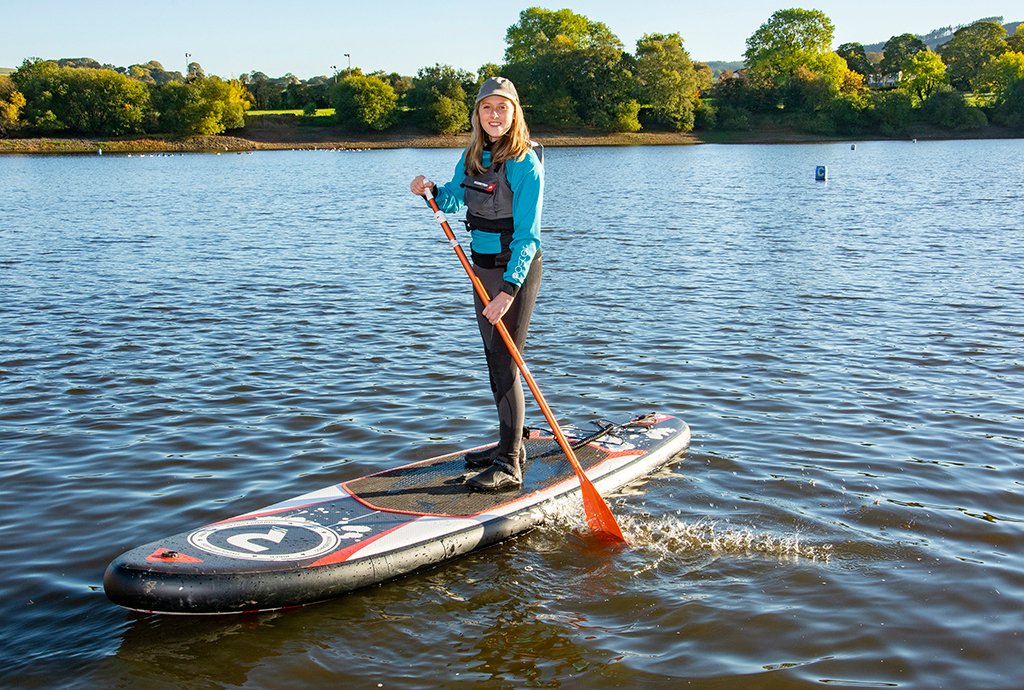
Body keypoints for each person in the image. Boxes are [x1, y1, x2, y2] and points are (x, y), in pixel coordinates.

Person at [409, 76, 544, 492]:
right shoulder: (472, 155)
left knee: (506, 361)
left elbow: (529, 237)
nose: (494, 115)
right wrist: (430, 190)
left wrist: (508, 290)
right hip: (480, 267)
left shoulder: (526, 166)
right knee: (493, 360)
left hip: (513, 272)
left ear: (514, 113)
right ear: (478, 114)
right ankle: (510, 443)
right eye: (488, 108)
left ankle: (509, 465)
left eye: (503, 108)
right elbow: (453, 198)